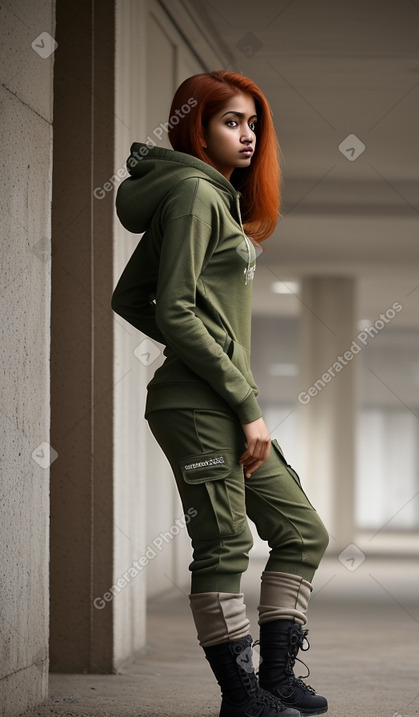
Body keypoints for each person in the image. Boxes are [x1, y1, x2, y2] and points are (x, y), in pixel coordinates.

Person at [111, 70, 329, 717]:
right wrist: (241, 396)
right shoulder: (194, 196)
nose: (249, 135)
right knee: (226, 544)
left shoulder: (206, 196)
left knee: (301, 531)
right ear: (196, 128)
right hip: (201, 404)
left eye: (254, 123)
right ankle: (243, 696)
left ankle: (277, 680)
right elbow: (175, 310)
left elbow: (130, 296)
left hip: (221, 397)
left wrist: (215, 364)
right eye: (231, 121)